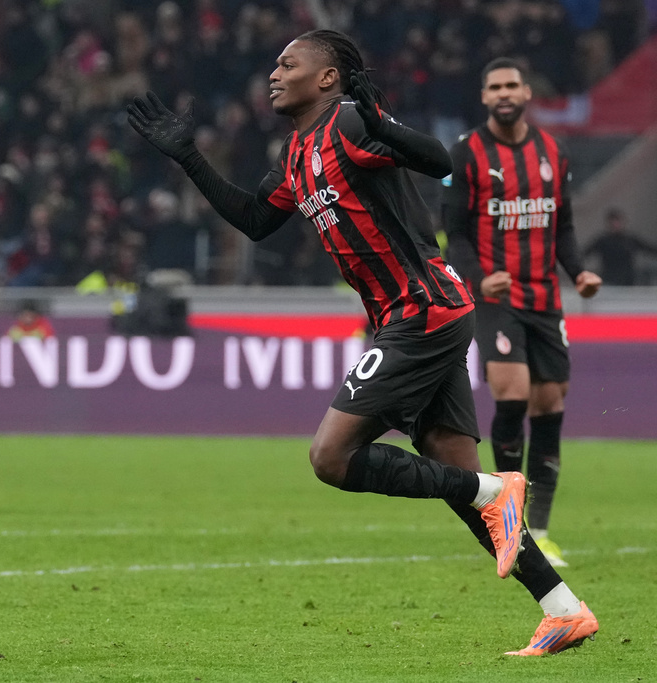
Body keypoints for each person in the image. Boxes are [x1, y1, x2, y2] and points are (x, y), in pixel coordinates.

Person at [129, 30, 597, 656]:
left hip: (421, 311)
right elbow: (256, 221)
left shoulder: (350, 121)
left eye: (288, 64)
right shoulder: (296, 152)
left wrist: (383, 125)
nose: (274, 74)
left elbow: (438, 160)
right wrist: (190, 158)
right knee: (457, 479)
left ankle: (496, 489)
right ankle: (562, 608)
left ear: (327, 78)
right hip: (415, 316)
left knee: (331, 457)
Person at [444, 58, 603, 569]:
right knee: (511, 393)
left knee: (550, 403)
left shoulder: (553, 151)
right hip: (497, 298)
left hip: (545, 299)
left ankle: (544, 529)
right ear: (484, 96)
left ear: (527, 92)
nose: (504, 93)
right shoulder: (467, 154)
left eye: (512, 85)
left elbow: (564, 226)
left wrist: (579, 272)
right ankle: (513, 524)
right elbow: (456, 234)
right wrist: (476, 278)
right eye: (495, 87)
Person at [583, 208, 657, 286]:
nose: (616, 224)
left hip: (628, 280)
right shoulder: (603, 241)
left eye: (618, 221)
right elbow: (586, 253)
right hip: (609, 279)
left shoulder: (630, 240)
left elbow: (649, 249)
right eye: (613, 222)